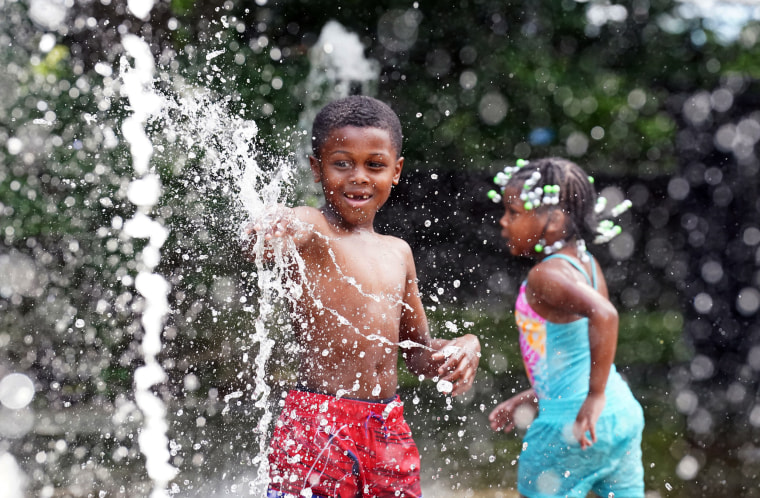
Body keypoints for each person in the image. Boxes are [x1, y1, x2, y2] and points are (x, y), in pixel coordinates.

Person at [243, 95, 481, 498]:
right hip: (318, 425)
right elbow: (286, 230)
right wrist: (274, 222)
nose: (358, 176)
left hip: (388, 426)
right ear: (317, 169)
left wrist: (463, 346)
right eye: (341, 163)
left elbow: (417, 353)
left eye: (374, 164)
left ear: (396, 171)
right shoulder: (314, 227)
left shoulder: (398, 252)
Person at [486, 157, 644, 498]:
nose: (503, 222)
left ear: (555, 220)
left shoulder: (545, 276)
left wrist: (593, 396)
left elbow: (607, 315)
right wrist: (531, 397)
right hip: (619, 414)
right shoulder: (586, 263)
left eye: (513, 213)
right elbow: (573, 354)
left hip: (570, 425)